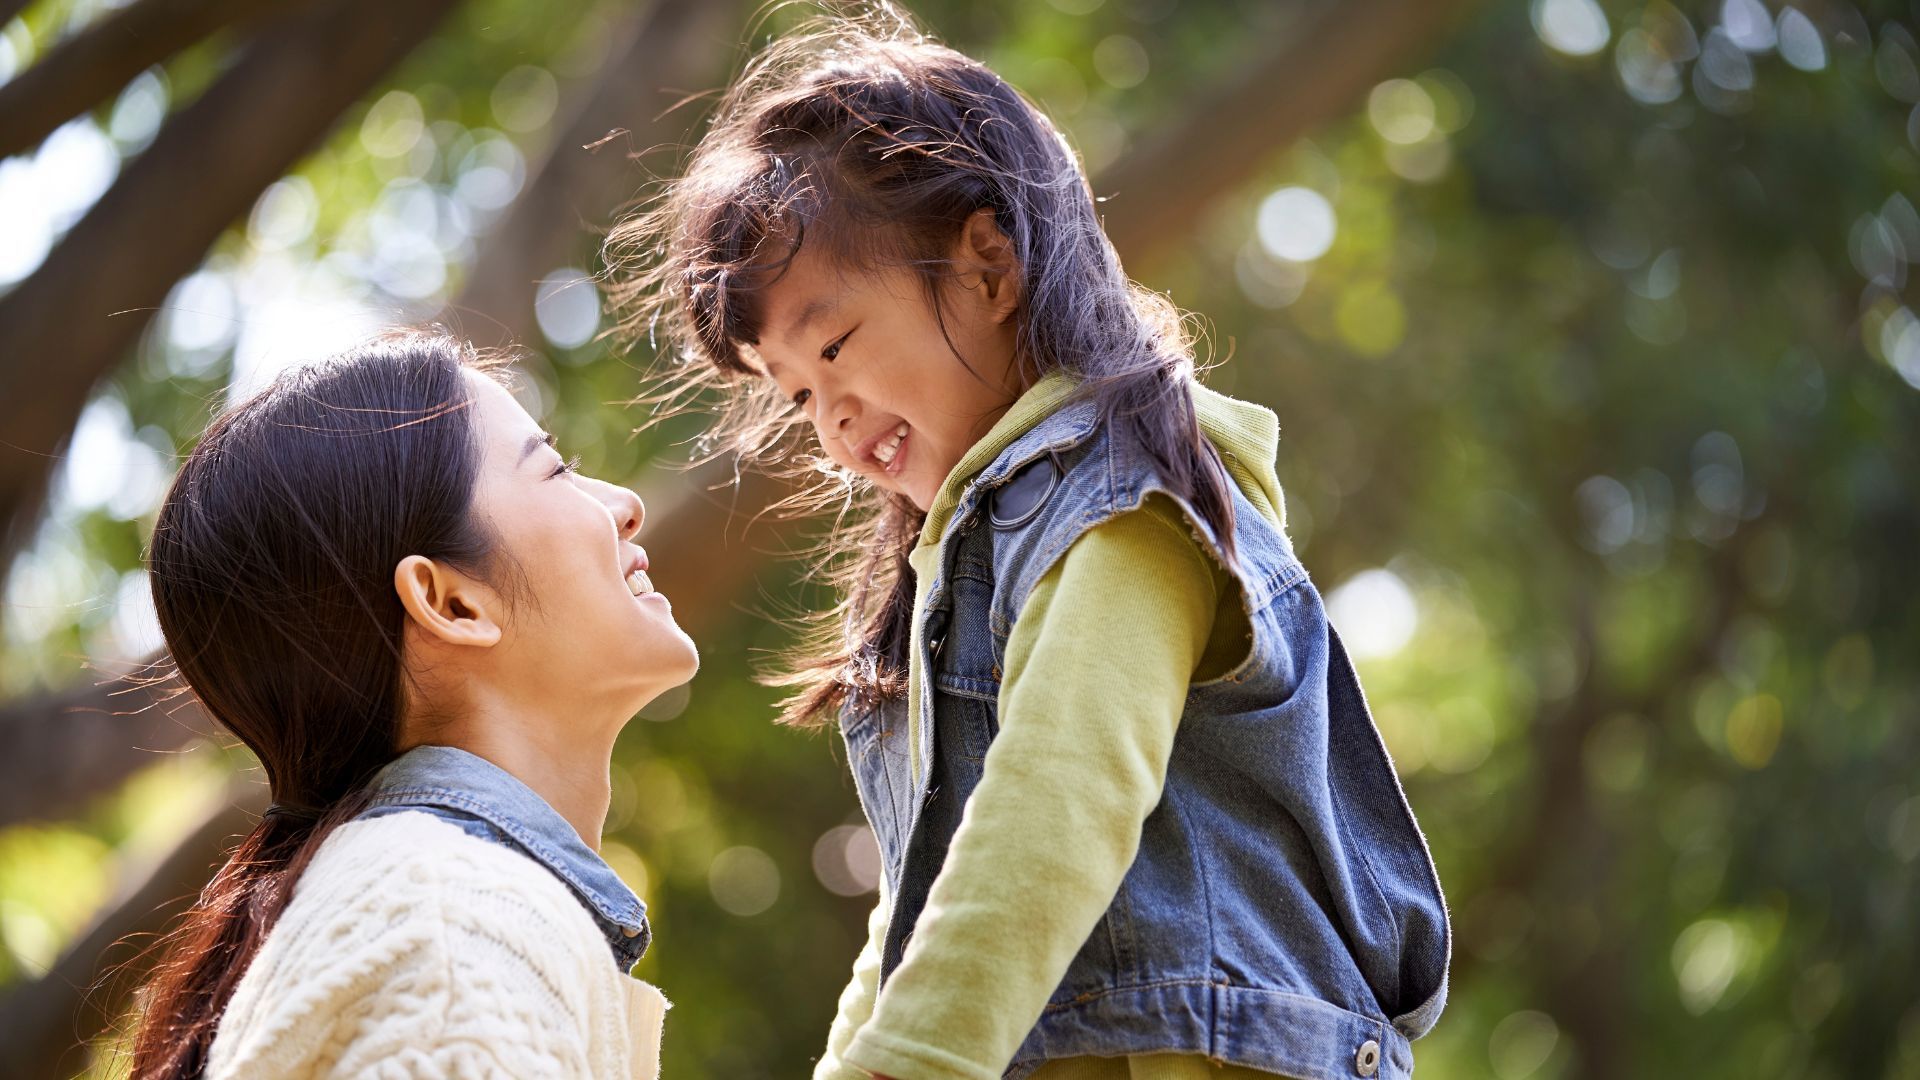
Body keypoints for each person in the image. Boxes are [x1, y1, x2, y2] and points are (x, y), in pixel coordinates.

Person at [605, 10, 1450, 1080]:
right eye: (799, 395)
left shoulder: (1127, 501)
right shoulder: (950, 573)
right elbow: (923, 906)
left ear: (989, 267)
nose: (831, 421)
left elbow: (1054, 814)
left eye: (837, 345)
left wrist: (906, 1064)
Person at [128, 329, 694, 1079]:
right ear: (451, 603)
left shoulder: (441, 915)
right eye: (557, 471)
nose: (625, 505)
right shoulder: (457, 940)